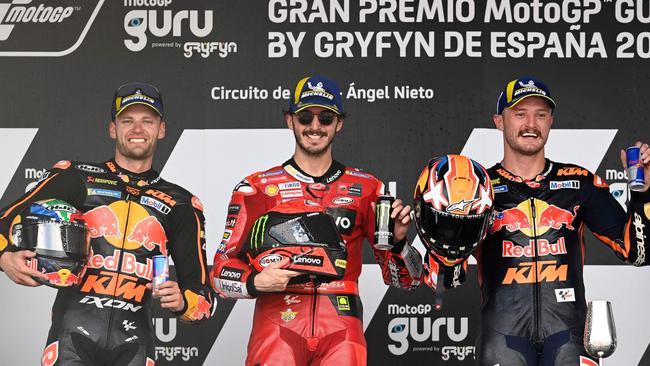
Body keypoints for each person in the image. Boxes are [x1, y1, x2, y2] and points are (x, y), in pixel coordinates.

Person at [210, 75, 423, 365]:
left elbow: (406, 282)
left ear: (339, 124)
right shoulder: (256, 187)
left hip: (342, 330)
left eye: (325, 118)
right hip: (276, 326)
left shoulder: (368, 188)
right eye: (305, 117)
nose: (314, 126)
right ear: (290, 120)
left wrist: (398, 244)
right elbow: (220, 273)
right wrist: (255, 281)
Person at [0, 82, 214, 366]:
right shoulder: (77, 177)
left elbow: (204, 301)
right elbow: (5, 220)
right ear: (113, 128)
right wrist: (4, 258)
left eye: (147, 121)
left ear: (161, 130)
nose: (137, 130)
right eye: (128, 121)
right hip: (72, 337)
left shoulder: (182, 204)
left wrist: (184, 302)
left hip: (135, 345)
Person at [465, 77, 650, 365]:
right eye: (520, 114)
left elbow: (638, 252)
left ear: (551, 121)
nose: (531, 124)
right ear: (499, 121)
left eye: (540, 115)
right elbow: (446, 272)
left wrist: (644, 194)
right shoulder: (479, 188)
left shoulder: (579, 181)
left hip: (569, 337)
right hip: (501, 337)